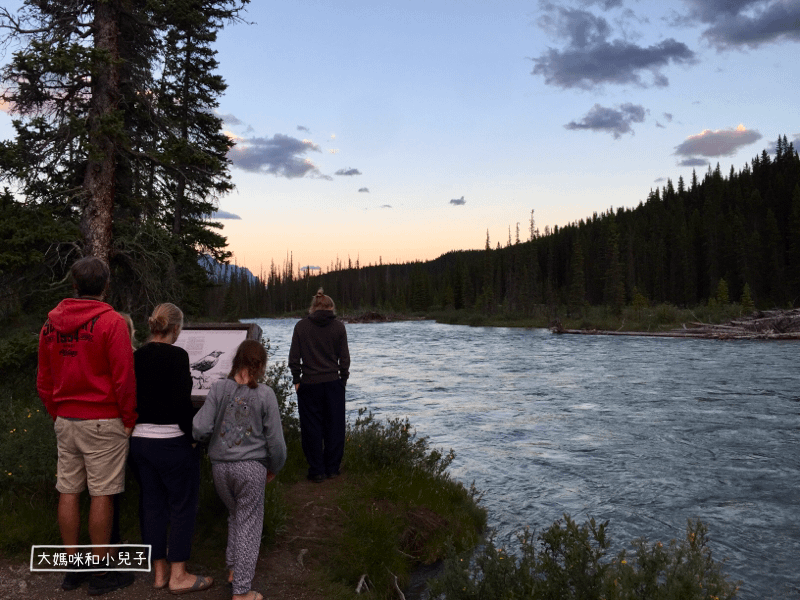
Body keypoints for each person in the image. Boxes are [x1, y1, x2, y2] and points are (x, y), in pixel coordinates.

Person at [36, 256, 137, 595]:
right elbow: (124, 377)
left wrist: (57, 412)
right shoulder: (111, 323)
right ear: (104, 285)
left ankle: (71, 570)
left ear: (74, 285)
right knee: (102, 492)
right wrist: (129, 419)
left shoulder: (50, 325)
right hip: (103, 419)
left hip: (66, 419)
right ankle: (101, 573)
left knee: (68, 489)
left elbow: (44, 380)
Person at [192, 340, 287, 600]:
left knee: (236, 516)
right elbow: (276, 442)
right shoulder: (265, 394)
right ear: (261, 364)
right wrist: (275, 467)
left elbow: (200, 428)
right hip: (251, 468)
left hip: (221, 468)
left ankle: (234, 570)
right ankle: (242, 591)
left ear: (237, 360)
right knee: (250, 524)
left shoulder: (219, 388)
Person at [128, 303, 212, 594]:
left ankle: (159, 572)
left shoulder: (136, 356)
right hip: (171, 442)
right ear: (175, 328)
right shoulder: (178, 356)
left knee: (151, 505)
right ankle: (179, 575)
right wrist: (193, 437)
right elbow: (181, 404)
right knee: (182, 505)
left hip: (139, 441)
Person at [288, 288, 350, 483]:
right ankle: (332, 468)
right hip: (333, 383)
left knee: (311, 428)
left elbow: (293, 358)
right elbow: (345, 359)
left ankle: (317, 470)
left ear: (313, 307)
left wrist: (297, 380)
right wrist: (343, 380)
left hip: (309, 384)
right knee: (335, 427)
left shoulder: (301, 327)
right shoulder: (339, 327)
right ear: (331, 307)